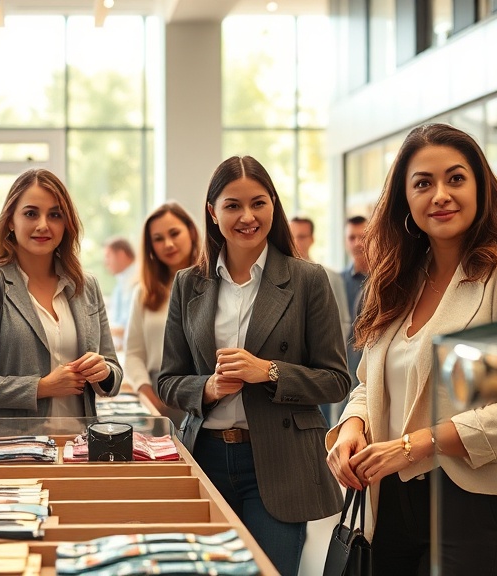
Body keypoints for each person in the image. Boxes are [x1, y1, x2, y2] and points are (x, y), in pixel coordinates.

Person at [325, 123, 497, 575]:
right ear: (405, 200)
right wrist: (353, 425)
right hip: (390, 499)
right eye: (423, 183)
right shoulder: (396, 278)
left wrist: (413, 446)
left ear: (480, 186)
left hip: (477, 502)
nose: (441, 195)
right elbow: (370, 382)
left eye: (455, 178)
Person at [157, 156, 349, 576]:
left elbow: (336, 381)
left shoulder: (307, 280)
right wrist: (206, 388)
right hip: (205, 454)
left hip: (279, 463)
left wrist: (270, 371)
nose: (247, 216)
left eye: (258, 203)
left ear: (273, 206)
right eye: (232, 206)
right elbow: (169, 381)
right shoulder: (190, 283)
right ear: (212, 212)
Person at [0, 168, 123, 420]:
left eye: (55, 215)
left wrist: (104, 372)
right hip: (7, 450)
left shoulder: (86, 286)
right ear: (10, 220)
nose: (43, 225)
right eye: (31, 213)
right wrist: (41, 387)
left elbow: (113, 374)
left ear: (66, 223)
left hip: (77, 447)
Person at [123, 202, 200, 426]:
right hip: (158, 398)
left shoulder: (215, 284)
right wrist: (148, 395)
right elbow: (134, 353)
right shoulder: (144, 293)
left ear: (192, 232)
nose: (168, 244)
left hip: (204, 394)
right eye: (158, 239)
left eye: (174, 233)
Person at [289, 216, 351, 426]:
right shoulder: (278, 278)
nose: (297, 242)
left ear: (312, 239)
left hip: (321, 367)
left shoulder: (329, 277)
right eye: (293, 236)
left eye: (302, 236)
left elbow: (342, 322)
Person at [342, 215, 368, 388]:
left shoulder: (386, 281)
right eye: (352, 238)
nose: (357, 243)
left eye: (363, 237)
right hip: (346, 368)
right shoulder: (337, 281)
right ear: (345, 242)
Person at [103, 235, 136, 348]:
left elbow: (131, 328)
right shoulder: (121, 284)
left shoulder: (137, 282)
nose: (105, 263)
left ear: (121, 255)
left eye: (108, 256)